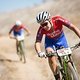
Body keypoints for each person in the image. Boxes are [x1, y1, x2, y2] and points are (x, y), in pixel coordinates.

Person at [35, 11, 80, 80]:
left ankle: (73, 72)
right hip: (50, 42)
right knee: (50, 55)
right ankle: (57, 77)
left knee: (68, 57)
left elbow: (73, 27)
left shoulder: (58, 20)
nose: (44, 27)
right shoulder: (41, 29)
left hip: (61, 40)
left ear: (50, 20)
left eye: (45, 24)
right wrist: (39, 52)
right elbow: (37, 42)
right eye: (42, 25)